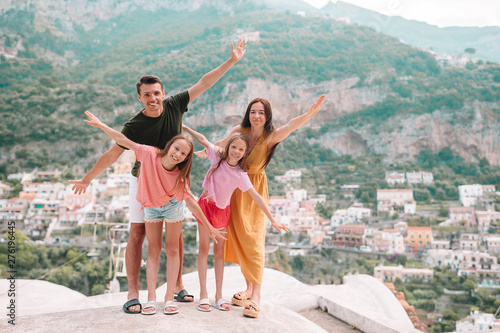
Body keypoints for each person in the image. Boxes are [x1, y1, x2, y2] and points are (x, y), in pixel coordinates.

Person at [69, 39, 246, 314]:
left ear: (163, 93)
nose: (153, 99)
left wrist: (232, 61)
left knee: (176, 236)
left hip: (174, 183)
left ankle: (176, 286)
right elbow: (112, 153)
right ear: (139, 98)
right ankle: (132, 292)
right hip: (144, 182)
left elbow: (204, 83)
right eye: (147, 95)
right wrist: (87, 178)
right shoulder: (135, 125)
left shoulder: (175, 105)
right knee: (138, 231)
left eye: (156, 93)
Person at [82, 111, 226, 315]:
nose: (178, 155)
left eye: (183, 154)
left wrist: (209, 227)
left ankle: (169, 298)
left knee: (173, 249)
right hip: (151, 206)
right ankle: (151, 298)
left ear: (186, 158)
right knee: (154, 250)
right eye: (177, 149)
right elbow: (123, 140)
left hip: (173, 206)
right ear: (169, 146)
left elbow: (192, 203)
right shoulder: (149, 154)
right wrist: (102, 125)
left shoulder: (179, 177)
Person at [211, 95, 325, 318]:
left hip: (255, 191)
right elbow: (220, 147)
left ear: (267, 116)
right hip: (235, 189)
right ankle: (248, 289)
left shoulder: (270, 137)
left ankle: (256, 296)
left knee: (254, 241)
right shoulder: (239, 130)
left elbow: (291, 126)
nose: (256, 116)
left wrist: (309, 114)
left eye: (261, 113)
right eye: (253, 111)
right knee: (241, 239)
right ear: (248, 113)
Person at [182, 125, 288, 313]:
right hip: (205, 206)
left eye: (241, 149)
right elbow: (202, 139)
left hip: (222, 212)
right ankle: (204, 294)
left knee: (219, 253)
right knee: (204, 250)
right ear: (228, 147)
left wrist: (272, 219)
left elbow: (257, 196)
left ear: (245, 153)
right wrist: (183, 126)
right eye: (234, 147)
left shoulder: (240, 175)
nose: (237, 151)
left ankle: (218, 295)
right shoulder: (217, 156)